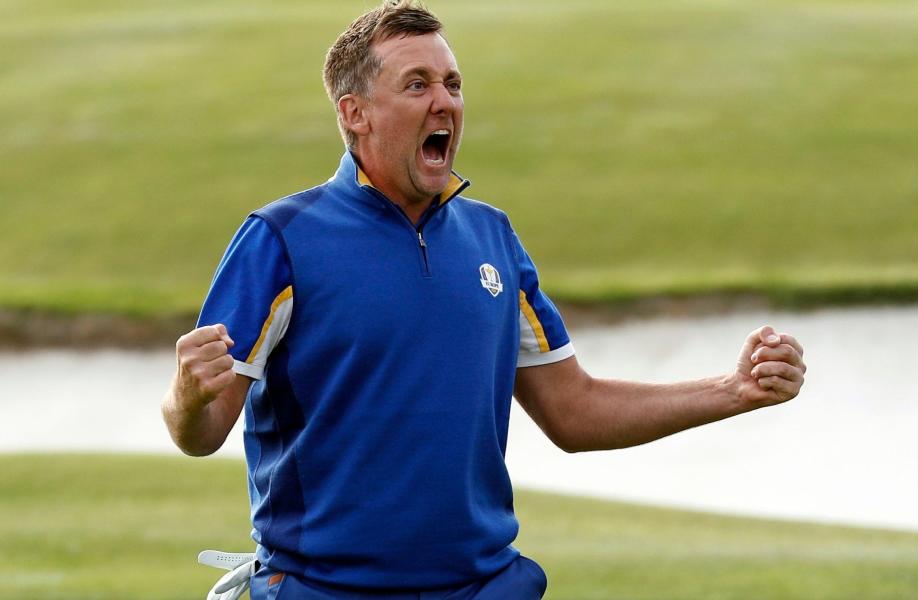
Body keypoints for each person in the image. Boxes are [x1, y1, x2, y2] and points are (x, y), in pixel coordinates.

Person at [161, 1, 807, 598]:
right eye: (417, 84)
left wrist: (733, 390)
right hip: (324, 588)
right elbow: (202, 431)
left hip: (483, 586)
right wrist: (187, 396)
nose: (444, 102)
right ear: (354, 113)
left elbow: (573, 411)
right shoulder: (280, 239)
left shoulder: (492, 238)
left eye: (453, 84)